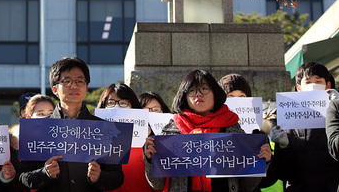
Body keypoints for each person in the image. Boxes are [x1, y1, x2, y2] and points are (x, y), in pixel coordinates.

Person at [144, 69, 271, 191]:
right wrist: (150, 160)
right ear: (184, 96)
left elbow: (247, 186)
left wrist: (262, 161)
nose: (198, 94)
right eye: (192, 90)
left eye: (204, 88)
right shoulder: (171, 131)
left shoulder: (233, 129)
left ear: (215, 93)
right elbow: (157, 185)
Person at [19, 57, 124, 191]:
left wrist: (99, 177)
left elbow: (118, 177)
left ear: (86, 88)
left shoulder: (105, 128)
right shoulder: (36, 128)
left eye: (80, 81)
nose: (74, 86)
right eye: (67, 81)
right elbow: (23, 176)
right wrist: (45, 173)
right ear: (55, 89)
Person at [272, 62, 339, 191]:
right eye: (308, 83)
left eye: (318, 81)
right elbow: (283, 173)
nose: (313, 86)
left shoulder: (336, 113)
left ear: (328, 85)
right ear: (299, 87)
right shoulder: (288, 118)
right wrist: (283, 146)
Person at [97, 84, 160, 192]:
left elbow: (158, 182)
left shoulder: (147, 139)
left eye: (123, 103)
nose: (117, 107)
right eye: (111, 103)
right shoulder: (94, 137)